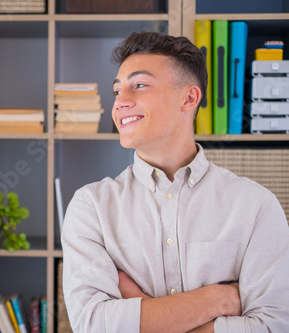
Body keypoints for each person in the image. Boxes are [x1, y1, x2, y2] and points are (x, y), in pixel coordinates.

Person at [61, 31, 289, 333]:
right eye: (117, 91)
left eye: (139, 85)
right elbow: (93, 325)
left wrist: (139, 311)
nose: (120, 103)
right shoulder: (91, 207)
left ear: (189, 97)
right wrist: (219, 298)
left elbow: (272, 327)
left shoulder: (256, 206)